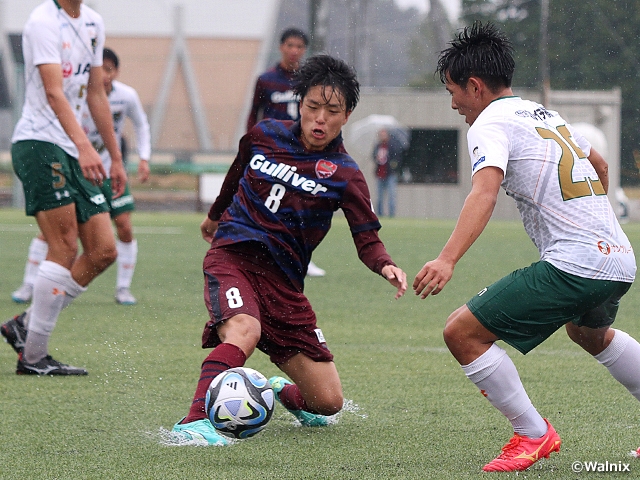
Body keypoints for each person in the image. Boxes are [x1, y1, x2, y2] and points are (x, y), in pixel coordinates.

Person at [413, 22, 639, 472]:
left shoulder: (489, 123)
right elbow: (600, 163)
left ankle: (533, 434)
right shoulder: (542, 114)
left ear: (475, 86)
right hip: (619, 259)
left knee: (461, 332)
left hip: (577, 263)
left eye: (453, 91)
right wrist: (600, 225)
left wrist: (447, 258)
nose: (454, 102)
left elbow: (484, 193)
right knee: (588, 333)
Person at [169, 54, 407, 445]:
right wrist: (213, 218)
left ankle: (276, 390)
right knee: (245, 329)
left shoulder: (345, 174)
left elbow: (367, 239)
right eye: (313, 106)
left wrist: (386, 266)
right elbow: (235, 175)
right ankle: (194, 422)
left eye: (332, 110)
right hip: (234, 255)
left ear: (346, 115)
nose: (320, 119)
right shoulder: (264, 135)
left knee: (328, 402)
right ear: (300, 104)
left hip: (284, 284)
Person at [0, 0, 126, 375]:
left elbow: (96, 94)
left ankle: (25, 326)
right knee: (64, 244)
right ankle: (34, 357)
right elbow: (54, 93)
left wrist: (115, 158)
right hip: (39, 143)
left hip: (72, 147)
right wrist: (86, 146)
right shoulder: (43, 21)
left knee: (104, 250)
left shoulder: (93, 22)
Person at [10, 47, 151, 306]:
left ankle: (122, 289)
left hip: (107, 170)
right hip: (76, 167)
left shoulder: (125, 95)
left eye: (109, 69)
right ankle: (29, 287)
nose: (104, 75)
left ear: (116, 72)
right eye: (100, 68)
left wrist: (140, 157)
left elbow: (141, 124)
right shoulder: (74, 96)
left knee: (119, 233)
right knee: (61, 236)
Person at [246, 27, 325, 277]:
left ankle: (302, 255)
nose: (294, 51)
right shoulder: (266, 79)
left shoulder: (309, 81)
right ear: (281, 47)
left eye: (299, 47)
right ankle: (258, 251)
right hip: (272, 151)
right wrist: (251, 145)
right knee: (268, 202)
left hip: (303, 151)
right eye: (290, 45)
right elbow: (254, 113)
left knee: (303, 204)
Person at [372, 128, 403, 217]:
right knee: (379, 196)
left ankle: (391, 214)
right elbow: (374, 156)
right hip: (380, 174)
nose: (382, 137)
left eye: (384, 135)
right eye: (381, 135)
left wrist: (393, 165)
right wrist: (376, 157)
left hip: (390, 174)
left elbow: (397, 158)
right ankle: (380, 214)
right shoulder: (378, 146)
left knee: (391, 195)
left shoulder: (393, 145)